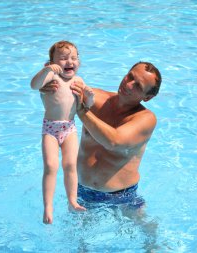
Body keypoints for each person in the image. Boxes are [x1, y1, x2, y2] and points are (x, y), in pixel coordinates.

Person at [42, 61, 161, 209]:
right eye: (130, 77)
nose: (129, 84)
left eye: (138, 86)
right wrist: (49, 83)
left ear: (147, 97)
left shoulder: (146, 119)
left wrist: (82, 110)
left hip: (122, 198)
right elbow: (62, 89)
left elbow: (113, 141)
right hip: (80, 192)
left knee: (146, 231)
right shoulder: (95, 98)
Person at [31, 40, 94, 224]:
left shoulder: (79, 81)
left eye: (74, 58)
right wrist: (47, 70)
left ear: (79, 62)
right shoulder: (50, 79)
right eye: (64, 58)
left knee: (70, 165)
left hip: (69, 128)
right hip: (50, 128)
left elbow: (86, 105)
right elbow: (34, 85)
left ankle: (72, 201)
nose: (70, 62)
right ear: (52, 62)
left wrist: (89, 97)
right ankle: (48, 207)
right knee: (51, 166)